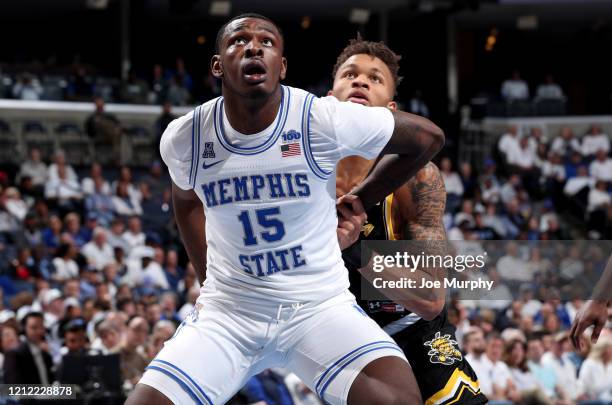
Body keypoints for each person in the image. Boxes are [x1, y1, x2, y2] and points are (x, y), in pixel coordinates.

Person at [127, 13, 444, 405]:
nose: (253, 47)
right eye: (239, 40)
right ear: (217, 65)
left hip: (317, 306)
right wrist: (210, 278)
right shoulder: (185, 136)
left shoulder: (318, 118)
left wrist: (363, 198)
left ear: (282, 66)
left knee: (398, 399)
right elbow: (186, 200)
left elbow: (429, 137)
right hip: (230, 313)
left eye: (267, 42)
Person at [331, 37, 486, 404]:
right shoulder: (298, 174)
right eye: (350, 74)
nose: (360, 81)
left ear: (392, 109)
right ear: (328, 95)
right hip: (341, 338)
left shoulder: (416, 177)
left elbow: (431, 298)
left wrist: (357, 253)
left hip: (413, 330)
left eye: (375, 78)